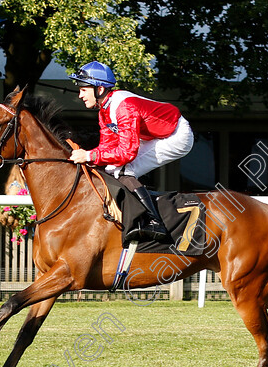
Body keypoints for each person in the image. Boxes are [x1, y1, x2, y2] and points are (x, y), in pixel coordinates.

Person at [68, 61, 194, 242]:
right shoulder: (104, 110)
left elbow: (126, 153)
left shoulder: (124, 107)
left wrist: (88, 155)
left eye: (83, 89)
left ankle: (153, 221)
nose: (80, 95)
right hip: (156, 135)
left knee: (124, 169)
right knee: (111, 168)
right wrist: (89, 157)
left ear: (100, 89)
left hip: (176, 135)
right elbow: (107, 147)